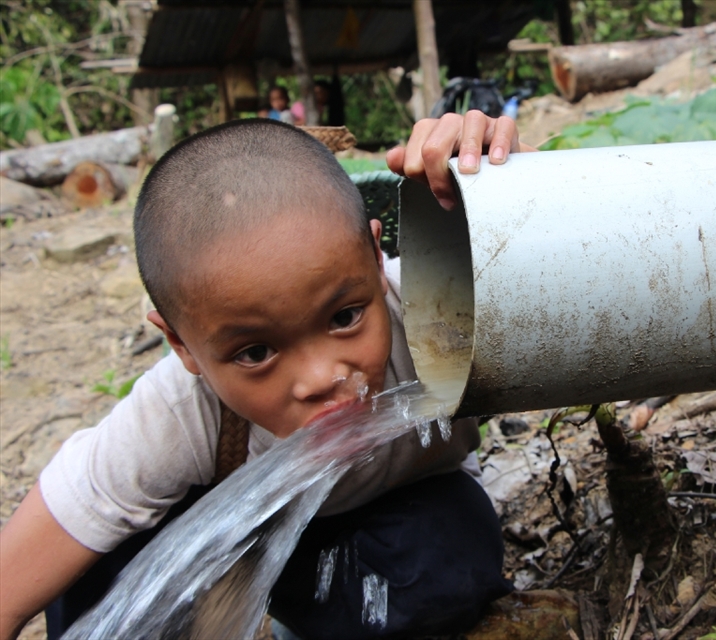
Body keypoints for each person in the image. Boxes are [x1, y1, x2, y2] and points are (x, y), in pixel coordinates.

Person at [0, 112, 534, 640]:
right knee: (97, 563)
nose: (321, 378)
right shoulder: (184, 412)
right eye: (256, 353)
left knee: (442, 563)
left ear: (376, 257)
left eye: (345, 317)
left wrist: (512, 189)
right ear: (182, 346)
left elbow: (579, 279)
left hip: (397, 524)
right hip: (250, 542)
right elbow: (24, 571)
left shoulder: (443, 313)